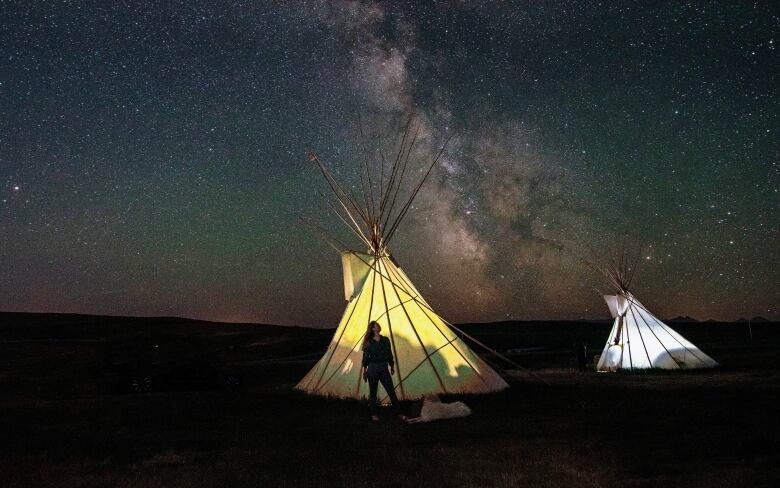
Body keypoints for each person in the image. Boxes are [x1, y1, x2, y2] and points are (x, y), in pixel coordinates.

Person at [361, 321, 405, 422]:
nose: (378, 326)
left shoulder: (385, 340)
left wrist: (392, 365)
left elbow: (389, 353)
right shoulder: (369, 342)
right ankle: (374, 414)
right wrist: (365, 371)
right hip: (372, 368)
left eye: (378, 325)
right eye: (376, 325)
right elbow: (365, 357)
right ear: (372, 329)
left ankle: (399, 413)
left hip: (383, 367)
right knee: (373, 393)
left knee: (391, 391)